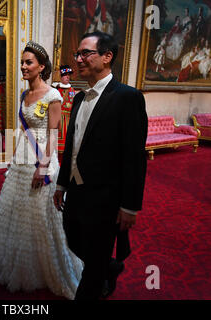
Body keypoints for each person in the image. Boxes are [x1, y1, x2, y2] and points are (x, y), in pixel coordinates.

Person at [0, 41, 83, 300]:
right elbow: (23, 130)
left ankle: (47, 266)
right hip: (22, 159)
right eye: (22, 62)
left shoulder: (53, 95)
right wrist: (15, 158)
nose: (23, 66)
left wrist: (42, 167)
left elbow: (53, 134)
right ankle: (17, 261)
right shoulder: (23, 95)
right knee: (16, 210)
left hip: (42, 160)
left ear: (41, 67)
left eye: (28, 62)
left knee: (41, 214)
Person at [53, 31, 148, 300]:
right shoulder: (81, 98)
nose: (79, 59)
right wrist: (62, 183)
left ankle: (98, 274)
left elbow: (134, 156)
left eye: (86, 53)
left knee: (91, 270)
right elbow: (72, 146)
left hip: (106, 197)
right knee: (73, 237)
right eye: (77, 54)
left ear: (107, 57)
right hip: (77, 189)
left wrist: (130, 205)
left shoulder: (127, 97)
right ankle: (110, 266)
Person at [51, 64, 76, 162]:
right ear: (60, 76)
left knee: (66, 147)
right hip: (56, 120)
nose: (67, 77)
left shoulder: (72, 90)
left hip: (68, 121)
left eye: (68, 75)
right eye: (65, 75)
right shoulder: (55, 90)